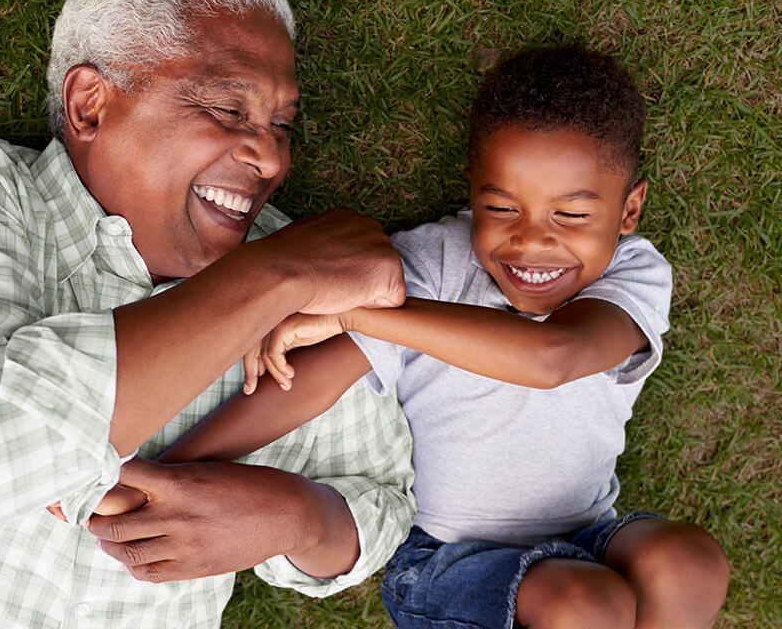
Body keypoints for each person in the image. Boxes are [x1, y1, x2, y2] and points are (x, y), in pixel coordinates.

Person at [0, 0, 416, 625]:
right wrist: (276, 276)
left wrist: (296, 519)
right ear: (90, 105)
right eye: (225, 109)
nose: (270, 156)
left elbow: (379, 503)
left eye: (281, 126)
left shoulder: (303, 277)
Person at [156, 45, 731, 628]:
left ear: (629, 209)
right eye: (502, 207)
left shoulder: (632, 273)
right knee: (587, 605)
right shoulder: (432, 262)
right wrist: (173, 469)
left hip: (591, 532)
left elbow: (557, 356)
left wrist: (361, 314)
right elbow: (308, 384)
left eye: (572, 216)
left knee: (689, 562)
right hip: (449, 561)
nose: (532, 243)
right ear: (472, 189)